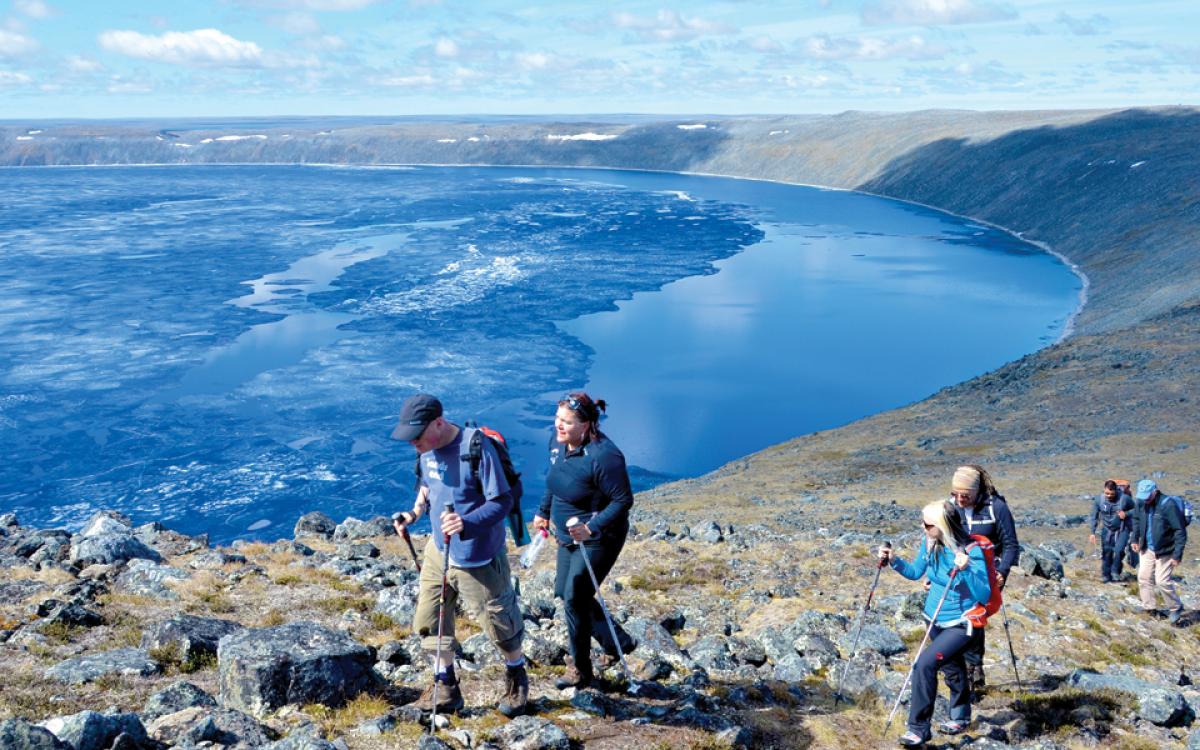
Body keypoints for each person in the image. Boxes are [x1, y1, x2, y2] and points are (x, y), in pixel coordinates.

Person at [390, 393, 528, 717]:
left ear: (438, 423)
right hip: (439, 550)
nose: (414, 444)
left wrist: (466, 523)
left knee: (499, 624)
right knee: (430, 619)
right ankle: (445, 686)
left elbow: (502, 502)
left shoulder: (476, 448)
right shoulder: (426, 450)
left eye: (417, 436)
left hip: (477, 556)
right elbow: (428, 484)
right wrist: (414, 513)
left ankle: (516, 678)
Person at [533, 392, 636, 690]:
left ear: (587, 425)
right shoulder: (558, 443)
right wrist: (543, 511)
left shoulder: (605, 456)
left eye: (566, 422)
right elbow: (554, 478)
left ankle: (580, 669)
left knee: (575, 597)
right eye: (557, 419)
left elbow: (622, 501)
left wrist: (591, 527)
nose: (558, 426)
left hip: (600, 537)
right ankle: (618, 642)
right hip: (567, 534)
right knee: (565, 593)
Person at [880, 500, 992, 747]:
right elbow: (915, 572)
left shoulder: (971, 551)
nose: (923, 527)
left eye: (927, 524)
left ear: (942, 526)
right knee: (951, 668)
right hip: (933, 619)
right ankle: (961, 716)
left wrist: (966, 570)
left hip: (962, 624)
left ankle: (918, 729)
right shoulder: (930, 542)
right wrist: (894, 560)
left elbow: (984, 594)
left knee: (924, 665)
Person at [950, 464, 1018, 691]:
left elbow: (1010, 544)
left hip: (988, 573)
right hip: (958, 572)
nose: (959, 499)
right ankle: (968, 671)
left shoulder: (996, 508)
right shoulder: (951, 508)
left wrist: (1003, 571)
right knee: (960, 619)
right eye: (955, 494)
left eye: (965, 495)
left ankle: (972, 670)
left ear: (976, 491)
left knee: (974, 617)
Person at [1130, 479, 1187, 625]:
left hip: (1166, 549)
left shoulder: (1168, 505)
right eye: (1142, 497)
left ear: (1155, 492)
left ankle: (1175, 607)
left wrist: (1177, 554)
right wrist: (1134, 539)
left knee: (1162, 581)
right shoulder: (1141, 502)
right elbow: (1136, 520)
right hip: (1147, 547)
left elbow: (1179, 530)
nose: (1145, 500)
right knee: (1143, 577)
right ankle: (1149, 608)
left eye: (1148, 496)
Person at [1088, 480, 1135, 582]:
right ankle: (1106, 575)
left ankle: (1115, 572)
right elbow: (1094, 516)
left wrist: (1126, 514)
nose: (1109, 496)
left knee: (1119, 551)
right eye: (1107, 493)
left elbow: (1137, 509)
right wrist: (1092, 532)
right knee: (1107, 552)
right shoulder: (1099, 500)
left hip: (1122, 529)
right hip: (1107, 529)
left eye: (1111, 494)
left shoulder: (1125, 499)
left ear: (1116, 491)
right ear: (1104, 490)